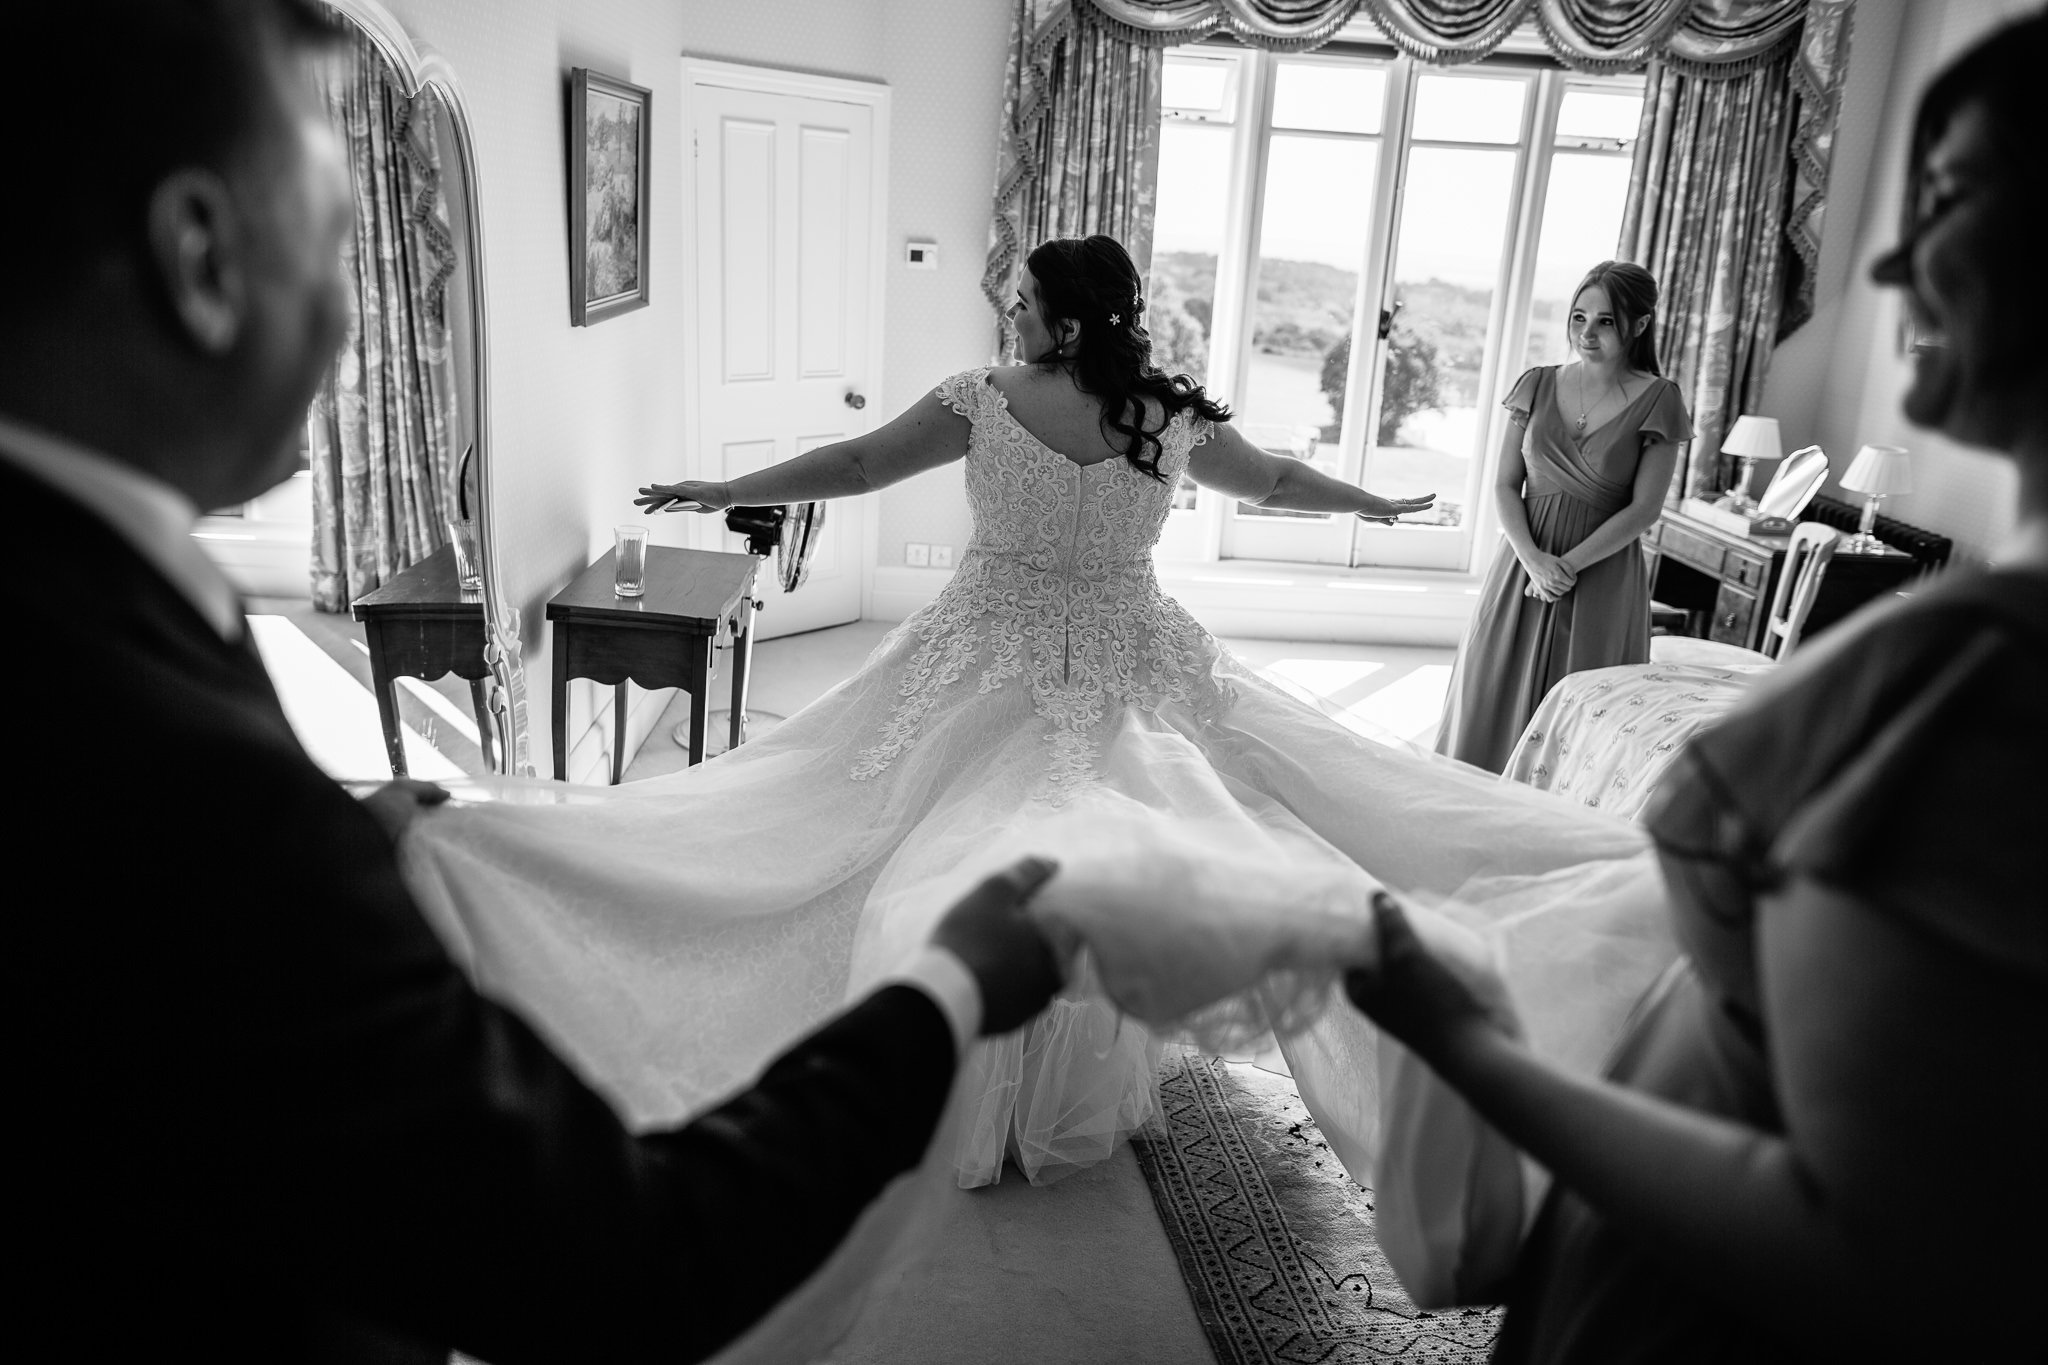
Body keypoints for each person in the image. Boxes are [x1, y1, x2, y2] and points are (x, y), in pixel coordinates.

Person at [0, 4, 1066, 1363]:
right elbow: (619, 1263)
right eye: (337, 238)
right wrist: (950, 987)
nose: (353, 313)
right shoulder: (196, 800)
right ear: (201, 257)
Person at [1344, 10, 2048, 1360]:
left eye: (1947, 196)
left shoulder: (1984, 689)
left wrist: (1468, 1049)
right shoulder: (1965, 660)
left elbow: (1859, 1235)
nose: (1894, 257)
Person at [1435, 262, 1692, 773]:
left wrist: (1566, 566)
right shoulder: (1537, 384)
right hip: (1522, 566)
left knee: (1585, 708)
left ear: (1638, 326)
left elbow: (1645, 509)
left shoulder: (1660, 399)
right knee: (1490, 687)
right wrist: (1534, 562)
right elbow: (1506, 484)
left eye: (1606, 322)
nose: (1587, 333)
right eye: (1579, 318)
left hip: (1601, 571)